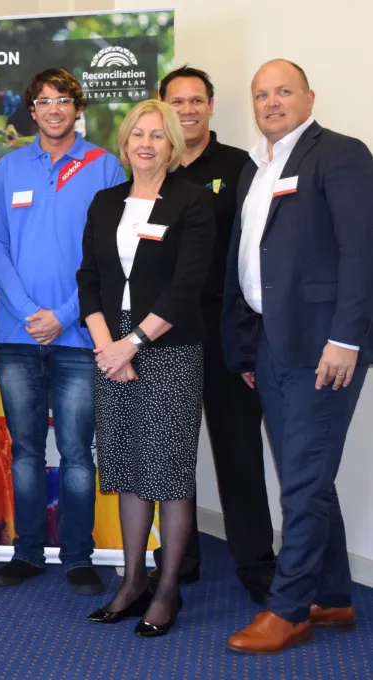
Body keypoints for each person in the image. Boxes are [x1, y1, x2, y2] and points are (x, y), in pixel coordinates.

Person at [225, 60, 373, 655]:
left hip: (323, 346)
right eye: (261, 94)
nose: (271, 102)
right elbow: (251, 257)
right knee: (304, 477)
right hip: (272, 343)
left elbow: (362, 253)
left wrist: (347, 338)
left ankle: (288, 610)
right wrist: (248, 344)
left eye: (283, 91)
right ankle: (334, 596)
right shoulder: (256, 168)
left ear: (308, 96)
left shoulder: (340, 154)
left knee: (303, 483)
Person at [0, 68, 126, 594]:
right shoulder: (9, 167)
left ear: (76, 107)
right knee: (22, 450)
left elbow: (111, 256)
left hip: (80, 336)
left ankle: (77, 556)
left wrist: (64, 315)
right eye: (43, 101)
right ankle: (25, 553)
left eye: (63, 100)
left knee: (74, 452)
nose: (53, 109)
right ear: (32, 110)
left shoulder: (106, 166)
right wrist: (26, 312)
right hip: (18, 336)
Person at [77, 99, 214, 637]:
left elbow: (187, 287)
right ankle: (132, 581)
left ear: (172, 145)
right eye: (139, 133)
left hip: (169, 347)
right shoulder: (104, 201)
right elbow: (88, 278)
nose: (147, 143)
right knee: (129, 466)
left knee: (171, 474)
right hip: (111, 347)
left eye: (159, 135)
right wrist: (108, 346)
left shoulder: (191, 201)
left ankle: (167, 587)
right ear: (126, 141)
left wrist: (131, 344)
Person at [155, 66, 274, 601]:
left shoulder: (240, 166)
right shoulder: (150, 168)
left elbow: (255, 251)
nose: (187, 110)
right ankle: (181, 561)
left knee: (238, 451)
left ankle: (257, 567)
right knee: (171, 452)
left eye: (196, 100)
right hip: (165, 331)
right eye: (176, 101)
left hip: (225, 330)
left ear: (210, 106)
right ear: (162, 107)